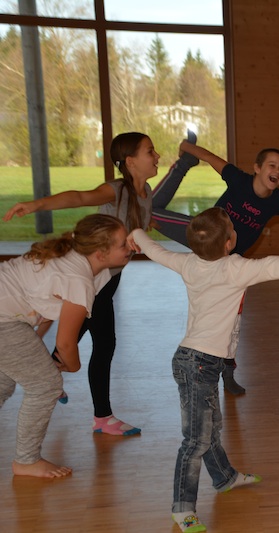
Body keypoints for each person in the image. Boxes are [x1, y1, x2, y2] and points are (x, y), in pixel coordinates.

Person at [127, 206, 279, 532]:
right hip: (198, 363)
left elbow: (156, 251)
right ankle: (183, 508)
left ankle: (224, 477)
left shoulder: (188, 263)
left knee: (209, 427)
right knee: (195, 440)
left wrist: (136, 234)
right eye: (231, 226)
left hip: (197, 362)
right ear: (229, 243)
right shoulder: (234, 268)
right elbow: (268, 266)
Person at [150, 135, 279, 395]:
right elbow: (211, 158)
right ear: (257, 168)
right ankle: (178, 171)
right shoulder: (238, 179)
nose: (277, 171)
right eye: (272, 165)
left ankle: (228, 373)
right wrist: (187, 148)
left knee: (232, 323)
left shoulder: (277, 200)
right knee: (153, 213)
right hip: (204, 240)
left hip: (232, 267)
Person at [3, 132, 161, 436]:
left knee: (84, 333)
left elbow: (141, 223)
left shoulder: (147, 192)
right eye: (150, 151)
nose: (156, 156)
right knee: (103, 342)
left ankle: (49, 372)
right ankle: (101, 416)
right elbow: (78, 197)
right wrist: (36, 205)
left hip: (108, 279)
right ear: (130, 162)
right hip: (93, 279)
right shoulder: (115, 190)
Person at [0, 214, 132, 478]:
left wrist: (34, 341)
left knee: (6, 378)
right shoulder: (79, 279)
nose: (129, 246)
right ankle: (26, 461)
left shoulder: (83, 262)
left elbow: (46, 307)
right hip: (5, 319)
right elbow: (65, 343)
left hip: (9, 315)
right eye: (123, 244)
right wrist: (72, 366)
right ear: (100, 252)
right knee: (46, 386)